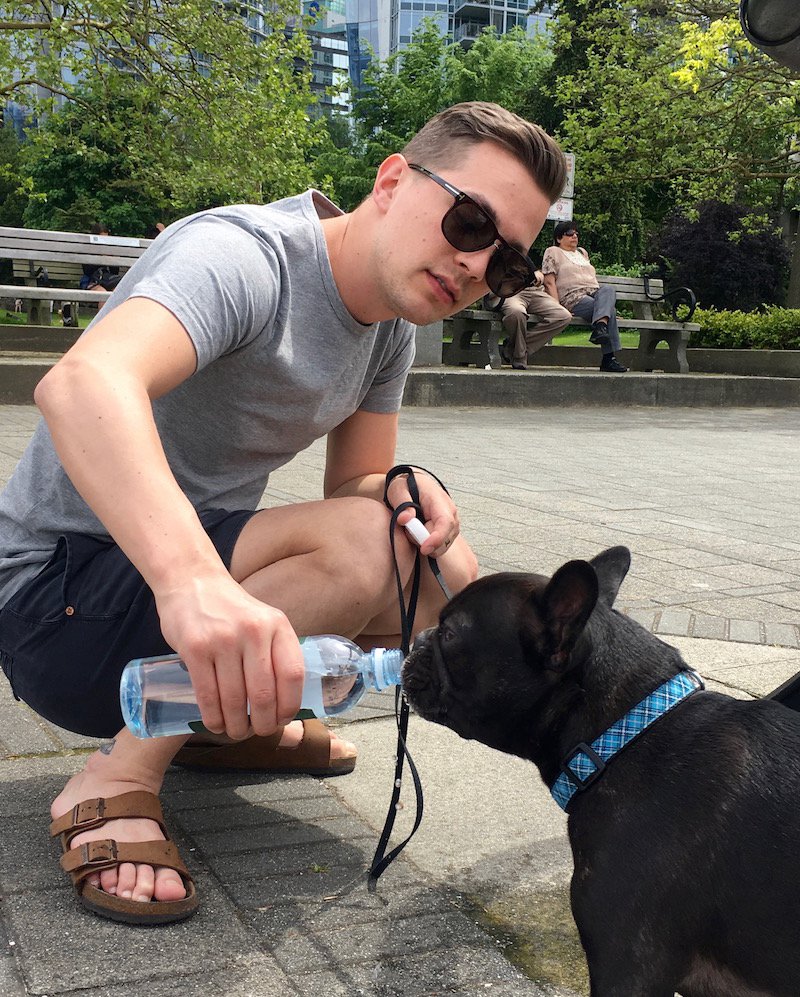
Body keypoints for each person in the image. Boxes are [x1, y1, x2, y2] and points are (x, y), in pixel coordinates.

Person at [0, 101, 567, 925]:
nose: (477, 264)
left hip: (157, 601)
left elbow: (358, 483)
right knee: (364, 555)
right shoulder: (243, 256)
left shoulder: (389, 326)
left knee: (445, 575)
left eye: (508, 265)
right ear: (391, 180)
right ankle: (116, 777)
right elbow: (82, 384)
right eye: (469, 220)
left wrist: (407, 487)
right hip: (58, 604)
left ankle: (221, 718)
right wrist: (193, 582)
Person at [542, 221, 628, 373]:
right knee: (611, 313)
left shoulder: (582, 253)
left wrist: (604, 307)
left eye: (576, 233)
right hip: (573, 297)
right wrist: (557, 308)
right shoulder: (552, 251)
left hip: (595, 294)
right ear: (559, 238)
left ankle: (600, 327)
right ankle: (608, 358)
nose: (574, 236)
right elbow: (549, 282)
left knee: (608, 288)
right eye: (569, 233)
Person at [484, 269, 571, 370]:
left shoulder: (524, 256)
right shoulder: (497, 253)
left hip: (533, 291)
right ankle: (519, 357)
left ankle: (514, 348)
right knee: (516, 312)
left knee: (563, 316)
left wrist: (537, 274)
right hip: (508, 291)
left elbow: (531, 270)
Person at [79, 223, 122, 293]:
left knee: (116, 292)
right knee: (102, 293)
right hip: (91, 281)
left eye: (106, 238)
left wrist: (112, 260)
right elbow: (88, 272)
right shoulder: (88, 250)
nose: (104, 241)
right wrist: (100, 258)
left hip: (107, 280)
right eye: (101, 238)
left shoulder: (109, 249)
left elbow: (114, 273)